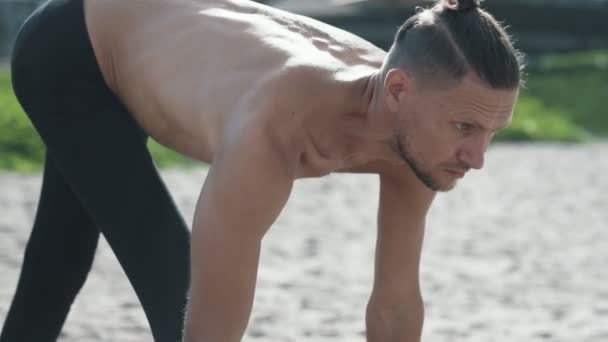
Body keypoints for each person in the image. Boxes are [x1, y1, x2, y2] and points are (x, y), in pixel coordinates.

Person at [0, 0, 524, 340]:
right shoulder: (273, 129)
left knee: (58, 255)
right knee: (172, 285)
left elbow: (394, 307)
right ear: (397, 91)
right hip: (71, 49)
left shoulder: (417, 130)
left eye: (490, 133)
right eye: (464, 129)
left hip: (148, 30)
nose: (478, 158)